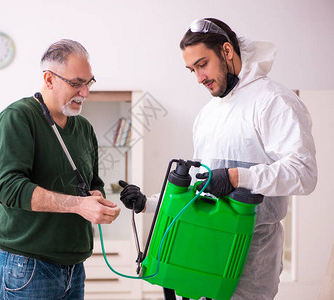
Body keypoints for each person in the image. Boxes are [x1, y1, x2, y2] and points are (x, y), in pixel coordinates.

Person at [119, 18, 317, 300]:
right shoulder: (208, 115)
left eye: (202, 64)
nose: (199, 77)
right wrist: (149, 204)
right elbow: (201, 189)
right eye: (192, 70)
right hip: (203, 253)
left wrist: (237, 177)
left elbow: (304, 172)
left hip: (250, 261)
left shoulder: (273, 101)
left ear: (226, 51)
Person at [0, 39, 121, 300]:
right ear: (49, 79)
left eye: (89, 83)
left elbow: (93, 180)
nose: (85, 93)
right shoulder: (18, 118)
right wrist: (77, 205)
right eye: (76, 83)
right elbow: (7, 188)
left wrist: (96, 197)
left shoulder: (83, 128)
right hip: (28, 268)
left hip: (75, 267)